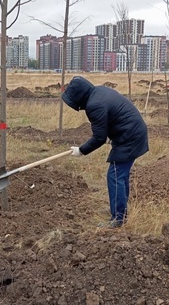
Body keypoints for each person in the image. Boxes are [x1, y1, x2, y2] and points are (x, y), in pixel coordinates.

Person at [62, 76, 148, 228]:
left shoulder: (94, 105)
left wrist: (81, 150)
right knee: (120, 175)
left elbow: (99, 138)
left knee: (115, 175)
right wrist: (112, 134)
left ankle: (118, 218)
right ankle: (120, 210)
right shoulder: (99, 92)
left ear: (79, 97)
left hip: (130, 138)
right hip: (132, 133)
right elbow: (112, 118)